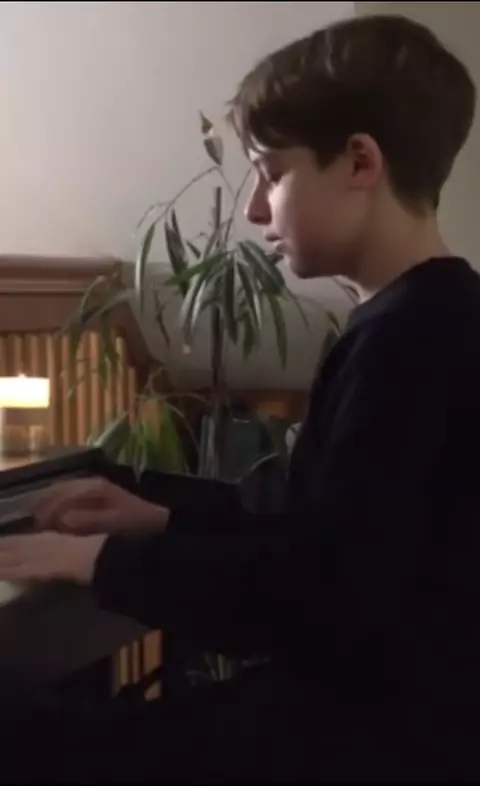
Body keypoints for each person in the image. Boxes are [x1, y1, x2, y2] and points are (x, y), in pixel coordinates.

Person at [0, 11, 479, 783]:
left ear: (360, 162)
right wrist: (159, 517)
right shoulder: (430, 315)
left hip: (379, 736)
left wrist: (99, 562)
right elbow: (328, 531)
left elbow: (321, 597)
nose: (256, 209)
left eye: (272, 173)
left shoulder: (412, 341)